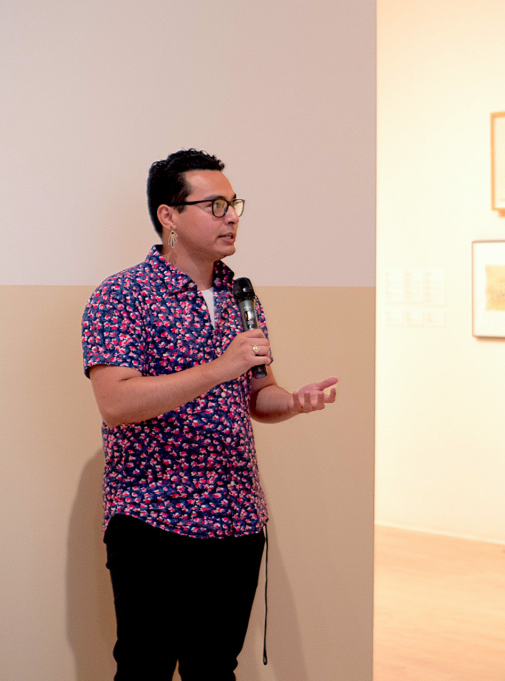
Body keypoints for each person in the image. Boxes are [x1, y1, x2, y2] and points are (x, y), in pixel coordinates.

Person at [81, 149, 338, 680]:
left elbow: (256, 393)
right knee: (144, 667)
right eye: (215, 204)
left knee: (215, 668)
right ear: (168, 216)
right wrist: (220, 368)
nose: (231, 215)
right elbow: (117, 403)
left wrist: (291, 401)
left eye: (234, 203)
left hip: (237, 517)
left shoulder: (241, 295)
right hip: (153, 515)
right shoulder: (122, 296)